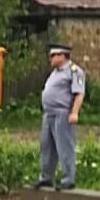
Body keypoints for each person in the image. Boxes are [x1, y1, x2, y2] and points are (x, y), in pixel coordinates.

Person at [36, 44, 86, 191]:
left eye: (53, 55)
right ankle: (46, 177)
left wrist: (74, 112)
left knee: (64, 146)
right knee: (46, 146)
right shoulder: (55, 73)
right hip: (49, 113)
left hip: (63, 113)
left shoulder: (74, 71)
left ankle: (68, 178)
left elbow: (79, 94)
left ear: (62, 56)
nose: (50, 58)